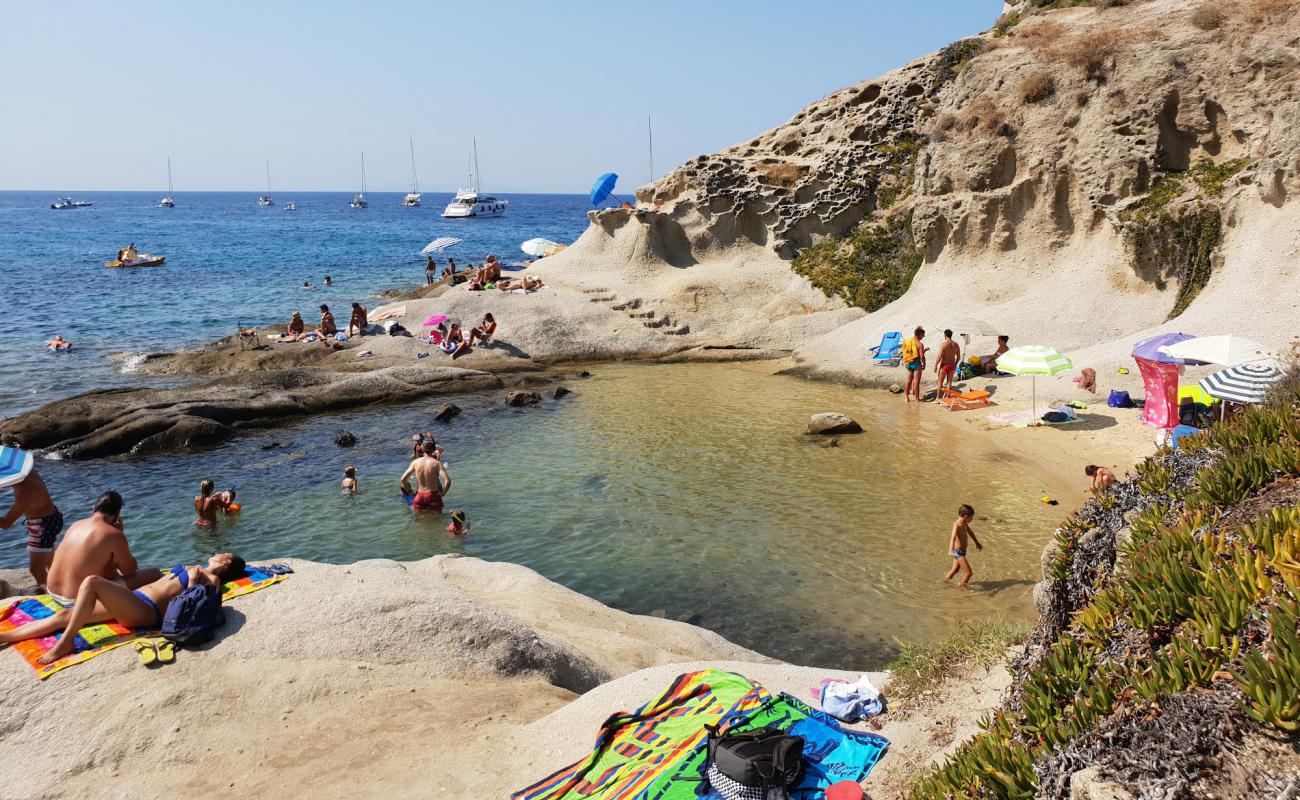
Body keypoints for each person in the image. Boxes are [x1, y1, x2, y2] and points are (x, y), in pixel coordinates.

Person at [0, 553, 245, 665]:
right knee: (66, 614)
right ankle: (5, 636)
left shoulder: (210, 580)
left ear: (226, 562)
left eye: (222, 553)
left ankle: (66, 642)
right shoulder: (194, 565)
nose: (217, 552)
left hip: (147, 612)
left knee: (92, 582)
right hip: (134, 599)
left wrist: (192, 581)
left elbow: (200, 604)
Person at [45, 490, 162, 603]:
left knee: (107, 566)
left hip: (53, 593)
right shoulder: (114, 534)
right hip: (76, 600)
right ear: (117, 514)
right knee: (155, 574)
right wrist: (120, 533)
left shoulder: (75, 525)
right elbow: (130, 572)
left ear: (93, 508)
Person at [0, 468, 63, 588]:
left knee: (36, 570)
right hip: (52, 516)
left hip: (42, 525)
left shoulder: (25, 493)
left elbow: (6, 524)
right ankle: (59, 584)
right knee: (49, 560)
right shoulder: (27, 472)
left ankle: (50, 595)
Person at [400, 440, 452, 513]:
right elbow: (448, 481)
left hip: (419, 496)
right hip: (433, 496)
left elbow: (403, 479)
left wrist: (409, 491)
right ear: (434, 450)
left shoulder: (415, 462)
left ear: (422, 449)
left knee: (420, 520)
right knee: (437, 519)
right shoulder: (436, 463)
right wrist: (443, 493)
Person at [943, 504, 983, 590]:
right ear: (965, 516)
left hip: (962, 551)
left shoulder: (964, 523)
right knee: (968, 573)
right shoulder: (957, 525)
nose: (972, 519)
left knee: (955, 570)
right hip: (957, 552)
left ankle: (944, 583)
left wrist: (977, 543)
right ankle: (963, 587)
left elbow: (970, 532)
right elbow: (952, 537)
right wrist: (950, 551)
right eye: (971, 517)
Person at [901, 327, 927, 402]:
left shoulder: (907, 342)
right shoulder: (920, 344)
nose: (923, 336)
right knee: (916, 381)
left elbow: (905, 352)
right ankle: (916, 399)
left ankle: (906, 398)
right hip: (916, 364)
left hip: (909, 363)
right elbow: (921, 356)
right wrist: (924, 363)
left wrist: (906, 362)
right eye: (923, 335)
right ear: (919, 334)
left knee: (908, 381)